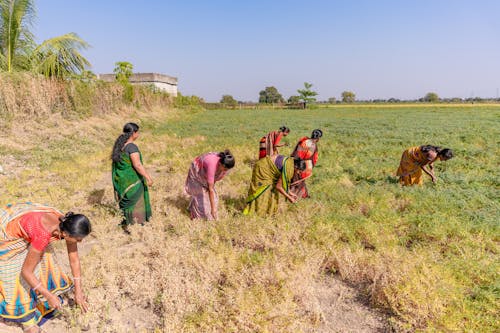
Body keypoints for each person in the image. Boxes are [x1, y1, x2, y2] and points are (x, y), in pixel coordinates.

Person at [0, 202, 91, 333]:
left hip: (32, 228)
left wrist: (78, 291)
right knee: (16, 278)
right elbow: (26, 272)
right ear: (65, 235)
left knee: (45, 263)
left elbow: (74, 259)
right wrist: (49, 296)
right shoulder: (43, 234)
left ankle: (43, 301)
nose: (80, 242)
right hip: (6, 237)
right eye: (78, 239)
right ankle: (29, 324)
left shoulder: (66, 224)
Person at [111, 123, 153, 233]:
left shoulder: (120, 146)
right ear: (133, 133)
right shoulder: (132, 147)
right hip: (133, 180)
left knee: (127, 203)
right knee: (136, 202)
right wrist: (148, 177)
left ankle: (127, 223)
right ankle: (136, 226)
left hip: (123, 181)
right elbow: (137, 165)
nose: (138, 134)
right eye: (137, 132)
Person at [185, 150, 235, 220]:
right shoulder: (212, 165)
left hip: (205, 173)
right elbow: (210, 189)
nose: (226, 171)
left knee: (213, 199)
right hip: (197, 173)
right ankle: (193, 214)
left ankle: (194, 205)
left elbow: (211, 185)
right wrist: (213, 210)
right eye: (225, 169)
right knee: (203, 209)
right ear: (221, 165)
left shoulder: (223, 163)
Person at [290, 129, 323, 199]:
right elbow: (314, 159)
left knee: (296, 179)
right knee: (298, 181)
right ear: (318, 138)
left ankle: (301, 194)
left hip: (296, 162)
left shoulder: (304, 141)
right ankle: (296, 195)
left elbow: (297, 153)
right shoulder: (314, 146)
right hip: (302, 165)